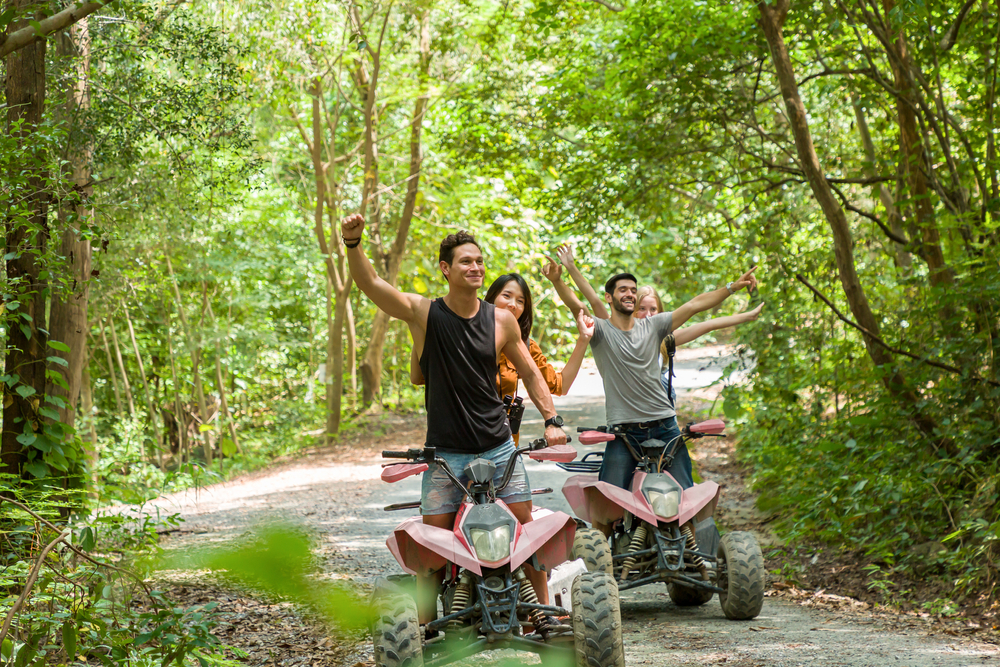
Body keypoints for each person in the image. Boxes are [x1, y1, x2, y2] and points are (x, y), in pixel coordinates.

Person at [341, 214, 567, 624]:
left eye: (480, 261)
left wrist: (552, 420)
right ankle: (426, 627)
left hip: (499, 447)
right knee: (433, 549)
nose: (476, 268)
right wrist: (353, 244)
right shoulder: (423, 313)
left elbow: (532, 374)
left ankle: (544, 614)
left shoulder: (501, 319)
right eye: (466, 261)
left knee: (526, 534)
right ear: (445, 269)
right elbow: (372, 286)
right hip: (446, 455)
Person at [543, 245, 760, 536]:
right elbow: (578, 302)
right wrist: (560, 277)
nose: (630, 294)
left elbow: (696, 305)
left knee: (687, 502)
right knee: (605, 507)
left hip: (665, 426)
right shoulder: (601, 331)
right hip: (624, 432)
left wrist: (732, 287)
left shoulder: (655, 326)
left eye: (633, 289)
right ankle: (599, 571)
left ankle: (693, 569)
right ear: (610, 298)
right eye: (623, 290)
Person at [411, 272, 595, 444]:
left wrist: (583, 339)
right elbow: (418, 377)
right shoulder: (461, 335)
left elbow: (559, 385)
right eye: (506, 296)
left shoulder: (525, 346)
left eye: (520, 301)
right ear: (491, 299)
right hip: (457, 443)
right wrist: (425, 325)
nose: (513, 304)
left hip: (503, 446)